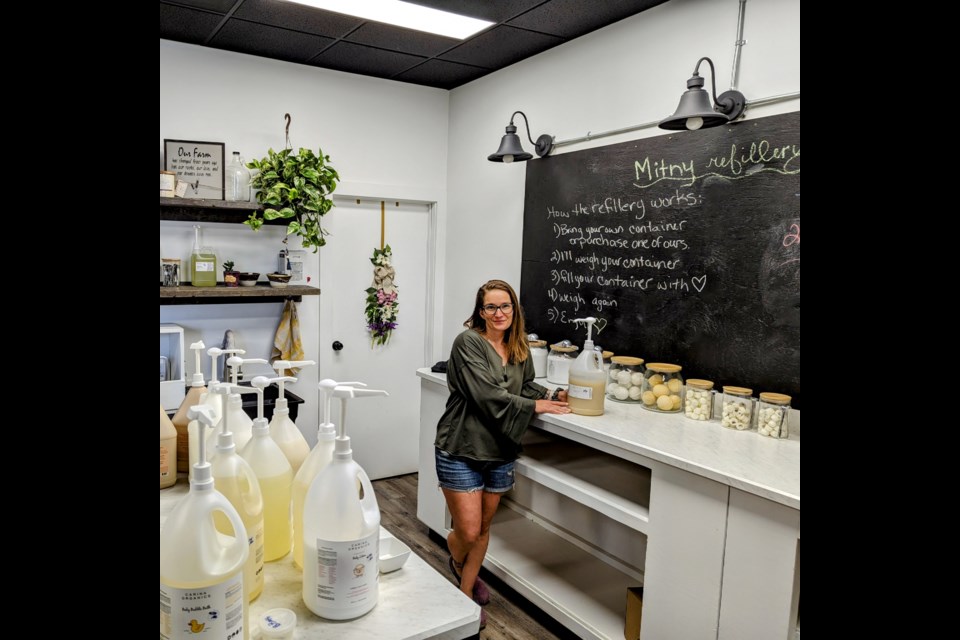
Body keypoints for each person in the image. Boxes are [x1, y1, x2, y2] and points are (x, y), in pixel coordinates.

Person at [434, 279, 570, 625]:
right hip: (461, 446)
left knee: (482, 529)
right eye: (491, 307)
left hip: (500, 450)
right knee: (467, 531)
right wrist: (534, 405)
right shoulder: (468, 343)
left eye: (505, 306)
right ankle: (460, 562)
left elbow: (523, 385)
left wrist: (551, 396)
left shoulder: (518, 345)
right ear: (480, 312)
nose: (499, 313)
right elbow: (486, 396)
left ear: (515, 310)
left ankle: (463, 596)